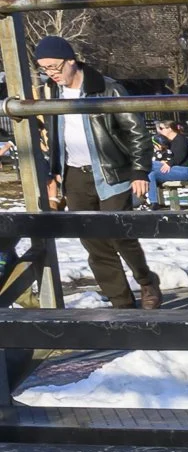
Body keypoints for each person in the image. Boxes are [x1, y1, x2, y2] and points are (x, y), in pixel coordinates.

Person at [30, 34, 160, 308]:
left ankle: (146, 280)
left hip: (112, 171)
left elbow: (137, 133)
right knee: (94, 242)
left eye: (54, 66)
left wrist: (139, 171)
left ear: (71, 61)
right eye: (44, 68)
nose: (51, 73)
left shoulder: (108, 89)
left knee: (119, 235)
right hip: (74, 174)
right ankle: (121, 303)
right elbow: (55, 134)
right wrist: (55, 169)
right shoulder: (52, 93)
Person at [146, 117, 188, 208]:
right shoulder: (166, 142)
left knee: (150, 165)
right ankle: (153, 202)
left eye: (161, 128)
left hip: (185, 170)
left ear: (169, 128)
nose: (159, 131)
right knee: (151, 174)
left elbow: (180, 156)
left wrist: (168, 163)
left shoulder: (180, 139)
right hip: (173, 169)